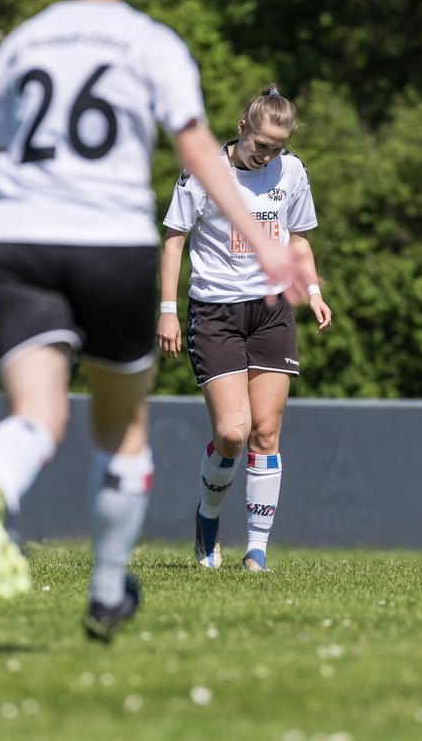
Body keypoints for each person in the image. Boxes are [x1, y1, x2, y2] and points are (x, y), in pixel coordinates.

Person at [0, 0, 309, 641]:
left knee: (36, 417)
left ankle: (1, 480)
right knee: (123, 436)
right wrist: (264, 239)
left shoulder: (21, 43)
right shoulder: (154, 45)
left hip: (20, 239)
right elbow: (200, 155)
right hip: (106, 243)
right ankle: (108, 591)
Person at [156, 86, 332, 573]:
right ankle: (207, 519)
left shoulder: (292, 171)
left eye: (276, 148)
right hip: (215, 313)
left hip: (272, 310)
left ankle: (256, 551)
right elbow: (173, 240)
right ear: (242, 128)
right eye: (261, 145)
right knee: (233, 433)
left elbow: (298, 240)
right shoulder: (204, 171)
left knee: (266, 431)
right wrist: (167, 309)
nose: (267, 155)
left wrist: (314, 291)